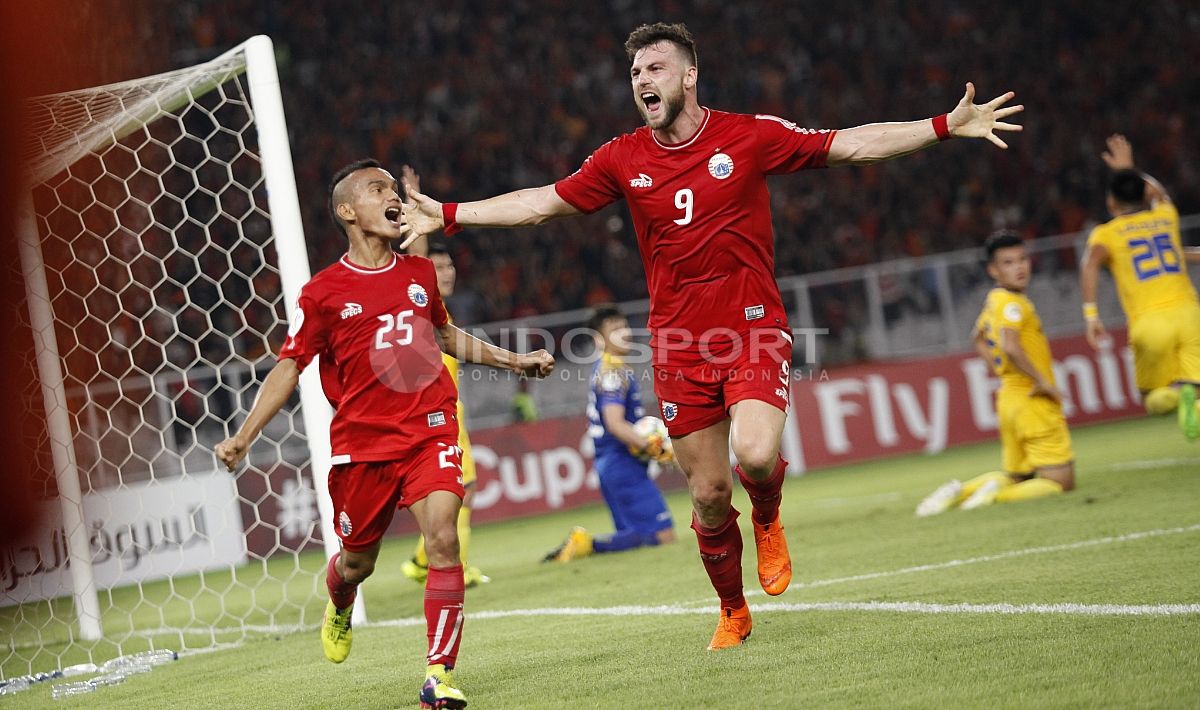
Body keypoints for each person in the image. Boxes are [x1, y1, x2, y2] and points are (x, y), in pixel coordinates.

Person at [400, 22, 1023, 649]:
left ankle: (770, 515)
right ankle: (732, 608)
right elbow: (542, 203)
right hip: (676, 344)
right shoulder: (622, 157)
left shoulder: (749, 136)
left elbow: (851, 144)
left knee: (754, 455)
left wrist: (943, 125)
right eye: (637, 72)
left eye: (656, 68)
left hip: (752, 328)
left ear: (689, 75)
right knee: (706, 493)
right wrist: (450, 214)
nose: (643, 80)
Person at [215, 159, 554, 709]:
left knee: (443, 539)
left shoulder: (418, 275)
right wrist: (246, 435)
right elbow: (288, 365)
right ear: (349, 211)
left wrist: (515, 362)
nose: (393, 197)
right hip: (363, 446)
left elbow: (445, 334)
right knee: (358, 562)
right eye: (379, 190)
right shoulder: (324, 293)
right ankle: (341, 598)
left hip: (430, 430)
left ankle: (438, 676)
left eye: (395, 190)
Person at [917, 233, 1075, 516]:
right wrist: (1043, 382)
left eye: (1022, 259)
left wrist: (1001, 369)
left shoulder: (995, 298)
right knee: (1060, 481)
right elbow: (1010, 346)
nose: (1020, 267)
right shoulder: (1014, 304)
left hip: (1009, 398)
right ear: (993, 270)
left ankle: (959, 491)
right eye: (1008, 262)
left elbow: (976, 337)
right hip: (1031, 398)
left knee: (1019, 475)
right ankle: (996, 497)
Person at [1080, 134, 1200, 441]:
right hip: (1190, 313)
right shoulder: (1166, 216)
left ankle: (1173, 400)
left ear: (1111, 201)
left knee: (1151, 396)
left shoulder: (1107, 234)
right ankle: (1192, 403)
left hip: (1150, 322)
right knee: (1197, 385)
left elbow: (1090, 264)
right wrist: (1130, 170)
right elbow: (1158, 192)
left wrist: (1092, 316)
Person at [543, 303, 677, 562]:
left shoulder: (610, 367)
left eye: (624, 326)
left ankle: (586, 544)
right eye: (614, 330)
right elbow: (615, 423)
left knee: (637, 536)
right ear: (598, 339)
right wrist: (656, 448)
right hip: (621, 464)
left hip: (614, 464)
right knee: (663, 536)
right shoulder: (612, 372)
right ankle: (588, 545)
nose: (624, 333)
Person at [401, 238, 490, 588]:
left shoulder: (442, 312)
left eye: (450, 265)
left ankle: (422, 560)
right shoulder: (417, 307)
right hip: (435, 413)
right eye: (438, 267)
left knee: (461, 490)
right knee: (463, 489)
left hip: (451, 410)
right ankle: (456, 566)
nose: (447, 272)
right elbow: (412, 267)